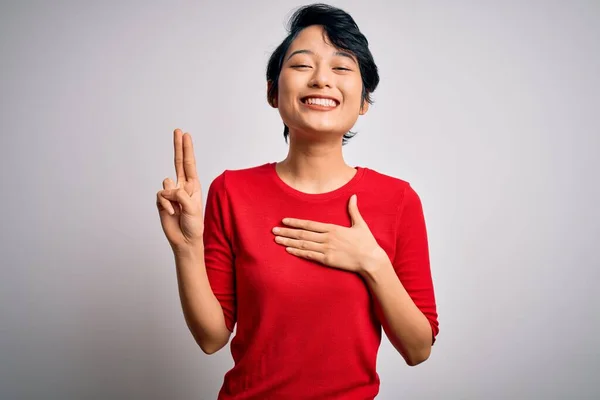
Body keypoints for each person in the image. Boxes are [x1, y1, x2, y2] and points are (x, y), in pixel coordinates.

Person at [156, 4, 439, 399]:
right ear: (274, 93)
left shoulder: (398, 199)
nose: (322, 79)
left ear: (363, 102)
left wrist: (371, 261)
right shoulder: (231, 191)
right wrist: (186, 248)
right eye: (302, 65)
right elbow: (211, 338)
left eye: (342, 68)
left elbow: (418, 348)